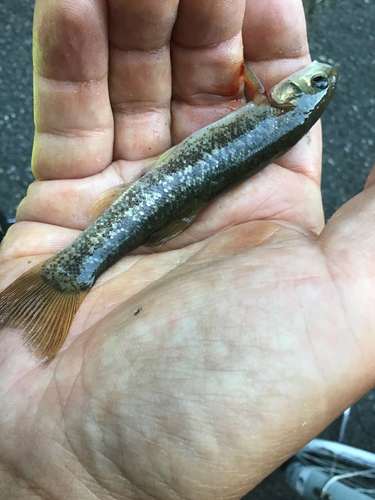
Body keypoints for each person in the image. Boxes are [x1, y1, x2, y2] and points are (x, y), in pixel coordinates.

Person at [0, 0, 374, 498]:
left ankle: (67, 280)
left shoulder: (275, 112)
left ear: (286, 99)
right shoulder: (277, 118)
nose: (315, 78)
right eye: (315, 83)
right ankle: (61, 284)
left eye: (315, 86)